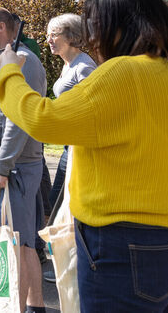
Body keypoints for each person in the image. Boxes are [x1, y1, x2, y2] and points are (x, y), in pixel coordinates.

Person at [0, 0, 168, 311]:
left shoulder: (123, 73)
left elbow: (43, 120)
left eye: (96, 26)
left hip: (124, 245)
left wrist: (8, 72)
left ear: (119, 26)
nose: (93, 38)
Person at [0, 7, 47, 313]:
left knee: (14, 245)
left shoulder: (23, 61)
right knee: (22, 243)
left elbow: (20, 119)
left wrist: (2, 166)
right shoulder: (5, 60)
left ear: (1, 27)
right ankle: (35, 307)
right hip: (5, 167)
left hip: (13, 169)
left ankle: (18, 308)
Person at [45, 14, 96, 210]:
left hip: (81, 145)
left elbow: (93, 106)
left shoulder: (83, 66)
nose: (49, 40)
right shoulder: (68, 64)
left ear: (71, 36)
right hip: (70, 143)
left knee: (58, 203)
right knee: (58, 203)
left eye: (54, 34)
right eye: (48, 35)